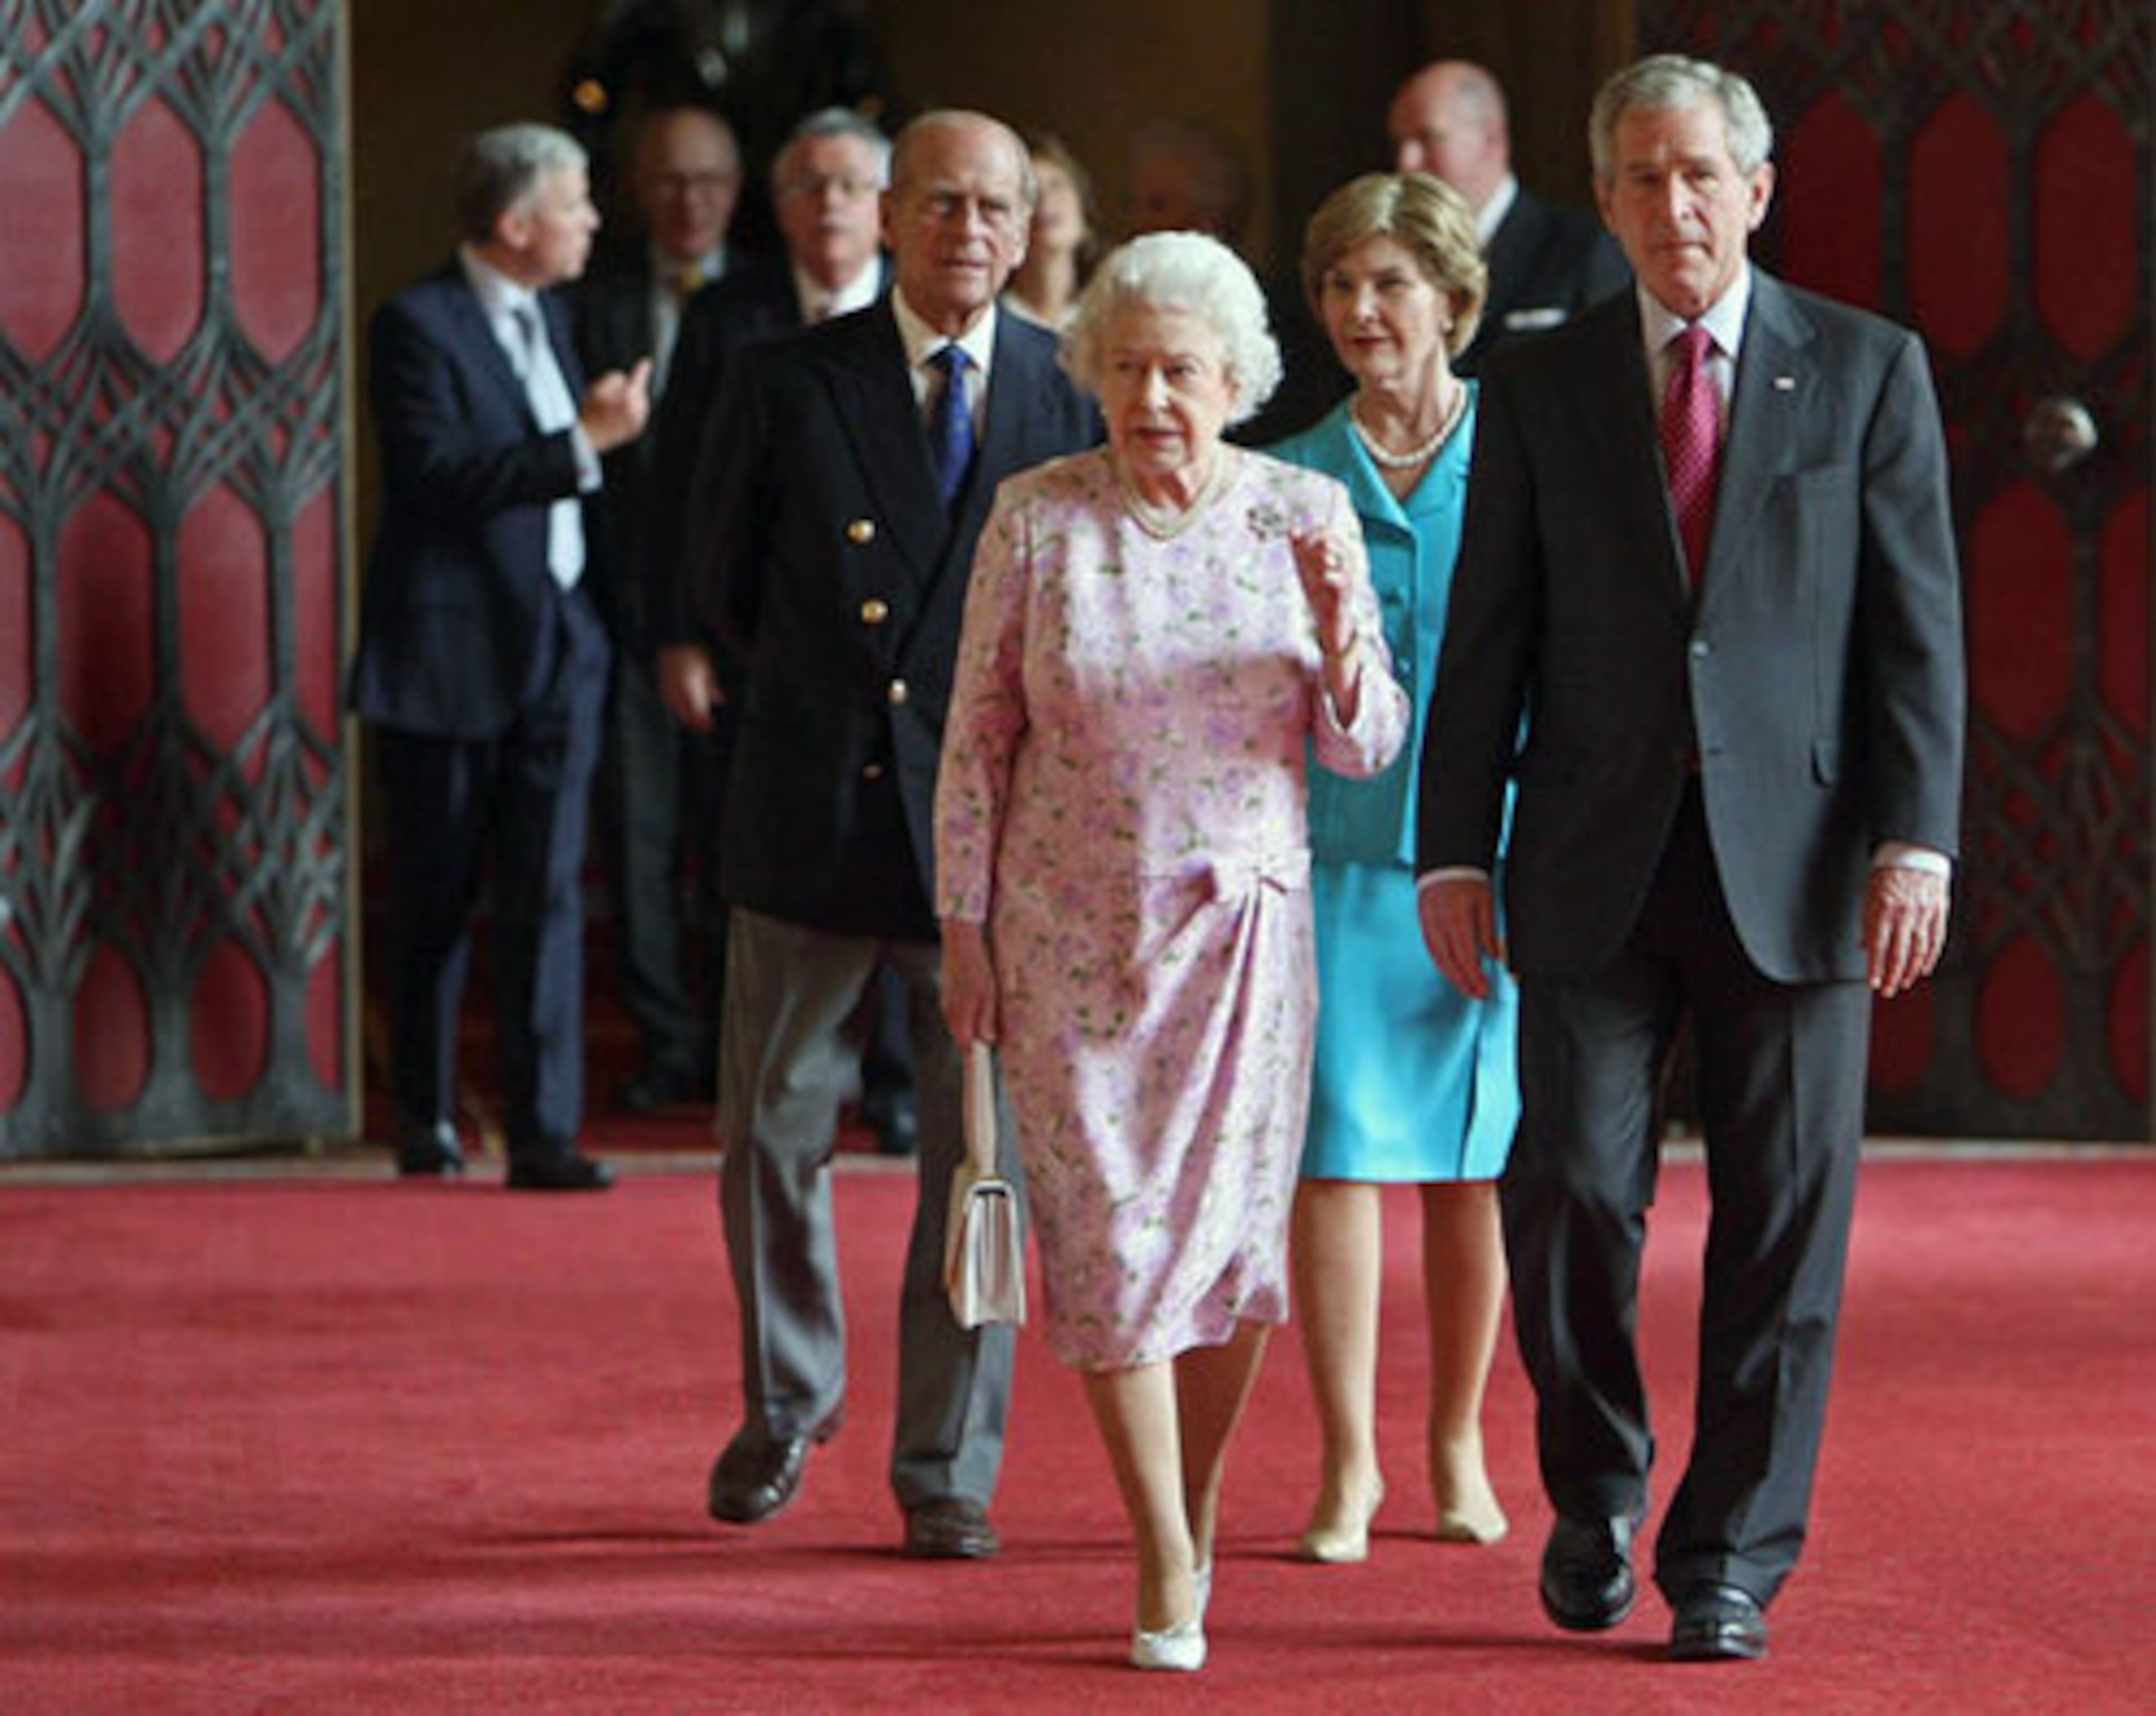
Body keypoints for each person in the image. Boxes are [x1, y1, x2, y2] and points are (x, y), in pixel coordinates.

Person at [1418, 54, 1965, 1663]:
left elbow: (1915, 639)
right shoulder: (1543, 381)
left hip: (1798, 871)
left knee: (1785, 1228)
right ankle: (1595, 1492)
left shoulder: (1866, 371)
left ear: (1757, 190)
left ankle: (1728, 1556)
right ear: (1605, 198)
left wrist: (1915, 839)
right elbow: (1488, 635)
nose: (1676, 207)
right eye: (1643, 180)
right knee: (1571, 1194)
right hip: (1591, 858)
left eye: (1701, 176)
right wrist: (1458, 847)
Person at [937, 230, 1411, 1672]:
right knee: (1111, 1247)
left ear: (1236, 381)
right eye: (1128, 367)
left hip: (1239, 946)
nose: (1154, 396)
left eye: (1183, 371)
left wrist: (1342, 636)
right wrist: (961, 926)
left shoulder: (1300, 511)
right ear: (1091, 372)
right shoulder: (1033, 517)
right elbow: (973, 744)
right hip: (1065, 938)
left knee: (1223, 1254)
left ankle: (1189, 1503)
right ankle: (1159, 1547)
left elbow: (1364, 742)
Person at [692, 109, 1095, 1559]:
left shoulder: (1070, 384)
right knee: (769, 1129)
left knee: (981, 1162)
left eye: (997, 205)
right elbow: (717, 583)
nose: (968, 232)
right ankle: (789, 1399)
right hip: (816, 810)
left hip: (992, 845)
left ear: (1031, 215)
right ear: (887, 214)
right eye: (940, 204)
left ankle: (947, 1469)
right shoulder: (788, 379)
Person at [1266, 172, 1515, 1565]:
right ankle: (1349, 1461)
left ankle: (1455, 1441)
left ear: (1450, 298)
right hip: (1337, 856)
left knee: (1474, 1160)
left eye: (1390, 285)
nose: (1363, 312)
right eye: (1341, 289)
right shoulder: (1288, 475)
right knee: (1340, 1154)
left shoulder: (1528, 450)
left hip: (1492, 856)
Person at [349, 123, 650, 1192]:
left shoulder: (558, 319)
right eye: (576, 204)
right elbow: (435, 477)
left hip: (562, 648)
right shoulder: (417, 324)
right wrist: (585, 445)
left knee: (550, 894)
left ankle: (542, 1130)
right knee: (436, 893)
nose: (594, 222)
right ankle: (427, 1118)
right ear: (517, 223)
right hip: (450, 658)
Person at [649, 108, 920, 1155]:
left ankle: (896, 1081)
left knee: (911, 873)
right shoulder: (730, 317)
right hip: (774, 645)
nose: (834, 205)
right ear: (780, 206)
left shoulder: (917, 314)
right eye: (811, 186)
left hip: (905, 657)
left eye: (854, 185)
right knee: (773, 863)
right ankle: (780, 1081)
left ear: (887, 207)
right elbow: (683, 489)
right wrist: (683, 633)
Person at [577, 103, 744, 1113]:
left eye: (711, 181)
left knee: (736, 844)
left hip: (740, 631)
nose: (691, 201)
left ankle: (734, 1040)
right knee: (636, 840)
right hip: (618, 615)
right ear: (640, 191)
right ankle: (665, 1042)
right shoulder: (591, 303)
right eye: (672, 180)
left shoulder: (766, 305)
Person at [1388, 58, 1629, 374]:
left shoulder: (1583, 249)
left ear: (1491, 141)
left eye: (1428, 138)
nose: (1406, 162)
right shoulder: (1395, 259)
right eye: (1400, 142)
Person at [1006, 133, 1099, 329]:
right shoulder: (988, 321)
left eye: (1056, 185)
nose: (1045, 199)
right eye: (1029, 191)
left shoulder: (1109, 319)